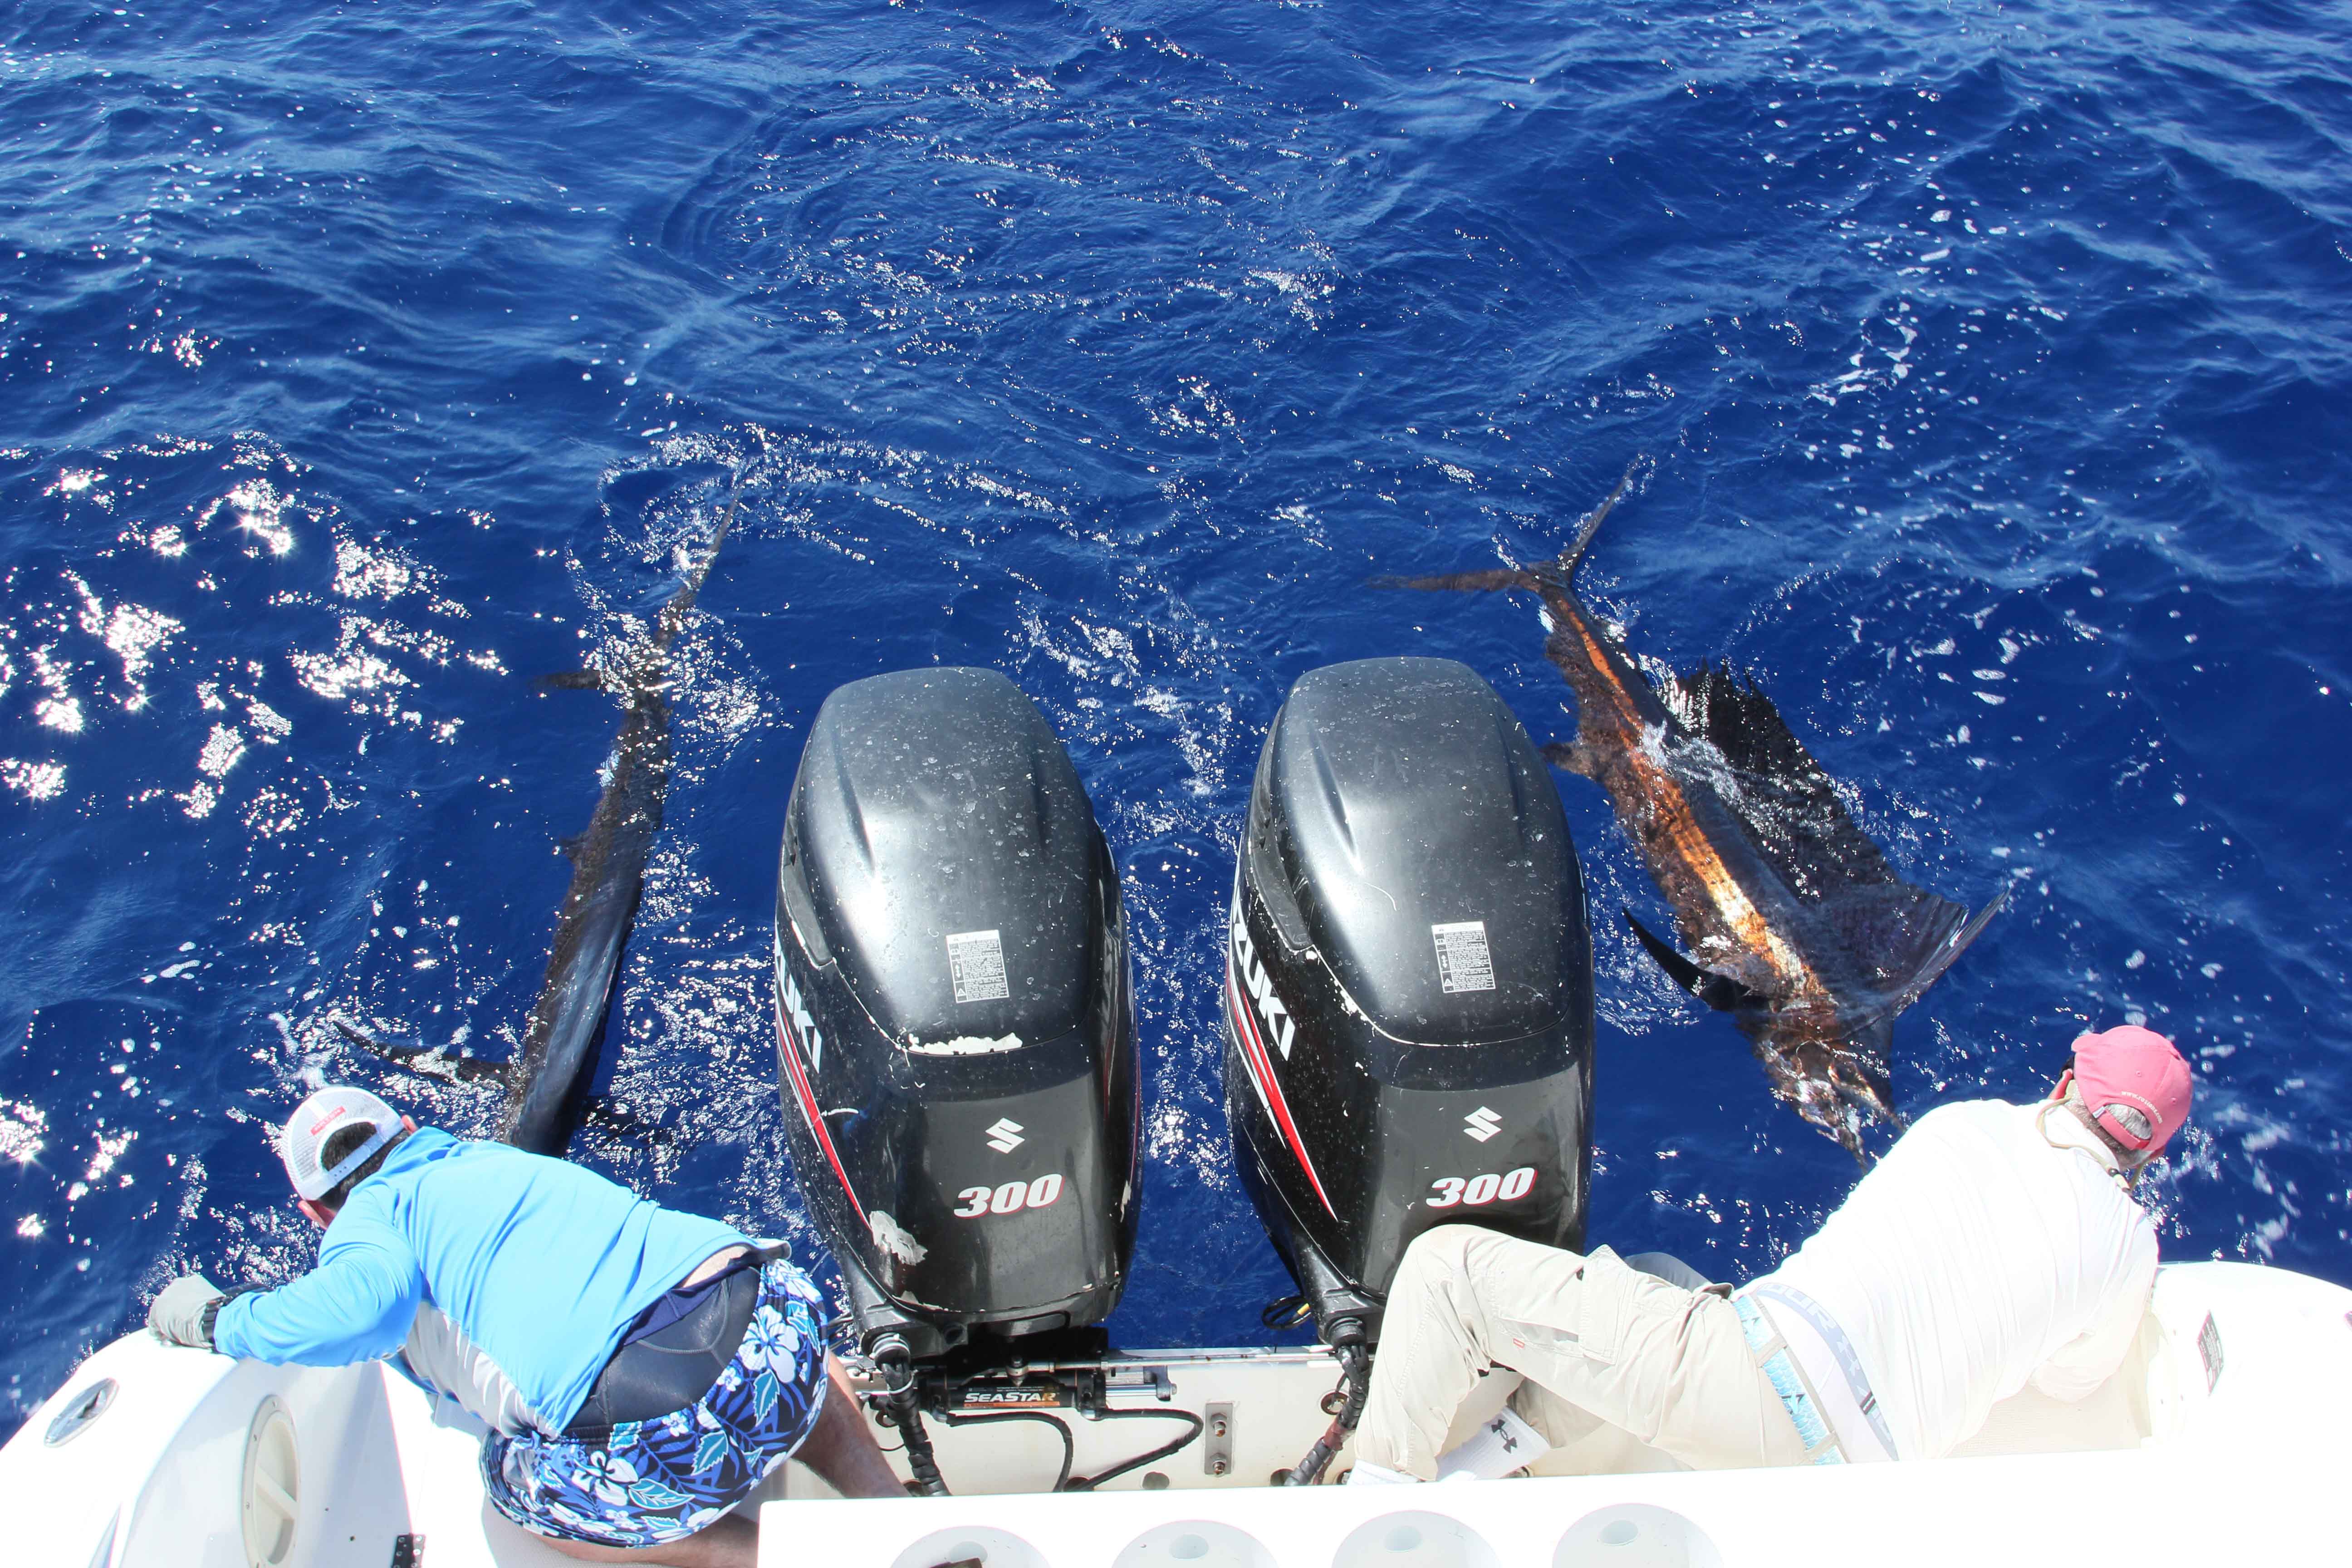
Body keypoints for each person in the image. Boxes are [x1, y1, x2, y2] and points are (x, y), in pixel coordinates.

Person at [1348, 1024, 2195, 1481]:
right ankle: (1481, 1468)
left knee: (1447, 1271)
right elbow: (2074, 1382)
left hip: (1758, 1391)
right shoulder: (2132, 1252)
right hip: (1865, 1496)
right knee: (1663, 1285)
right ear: (2147, 1155)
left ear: (2063, 1085)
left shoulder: (1967, 1122)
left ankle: (1377, 1513)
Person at [147, 1085, 902, 1566]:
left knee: (511, 1494)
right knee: (765, 1326)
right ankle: (892, 1516)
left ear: (315, 1212)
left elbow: (363, 1313)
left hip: (668, 1440)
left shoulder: (366, 1218)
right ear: (411, 1128)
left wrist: (215, 1319)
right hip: (774, 1322)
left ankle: (796, 1560)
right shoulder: (480, 1158)